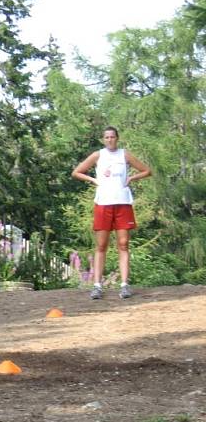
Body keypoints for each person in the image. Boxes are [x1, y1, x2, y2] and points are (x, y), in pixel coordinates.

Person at [72, 126, 151, 299]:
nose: (110, 140)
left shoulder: (124, 154)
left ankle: (124, 285)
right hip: (103, 203)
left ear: (117, 138)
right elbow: (77, 172)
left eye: (112, 137)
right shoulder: (98, 155)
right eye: (106, 137)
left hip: (122, 203)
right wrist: (93, 179)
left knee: (123, 244)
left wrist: (131, 178)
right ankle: (97, 286)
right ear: (103, 139)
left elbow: (147, 171)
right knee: (101, 246)